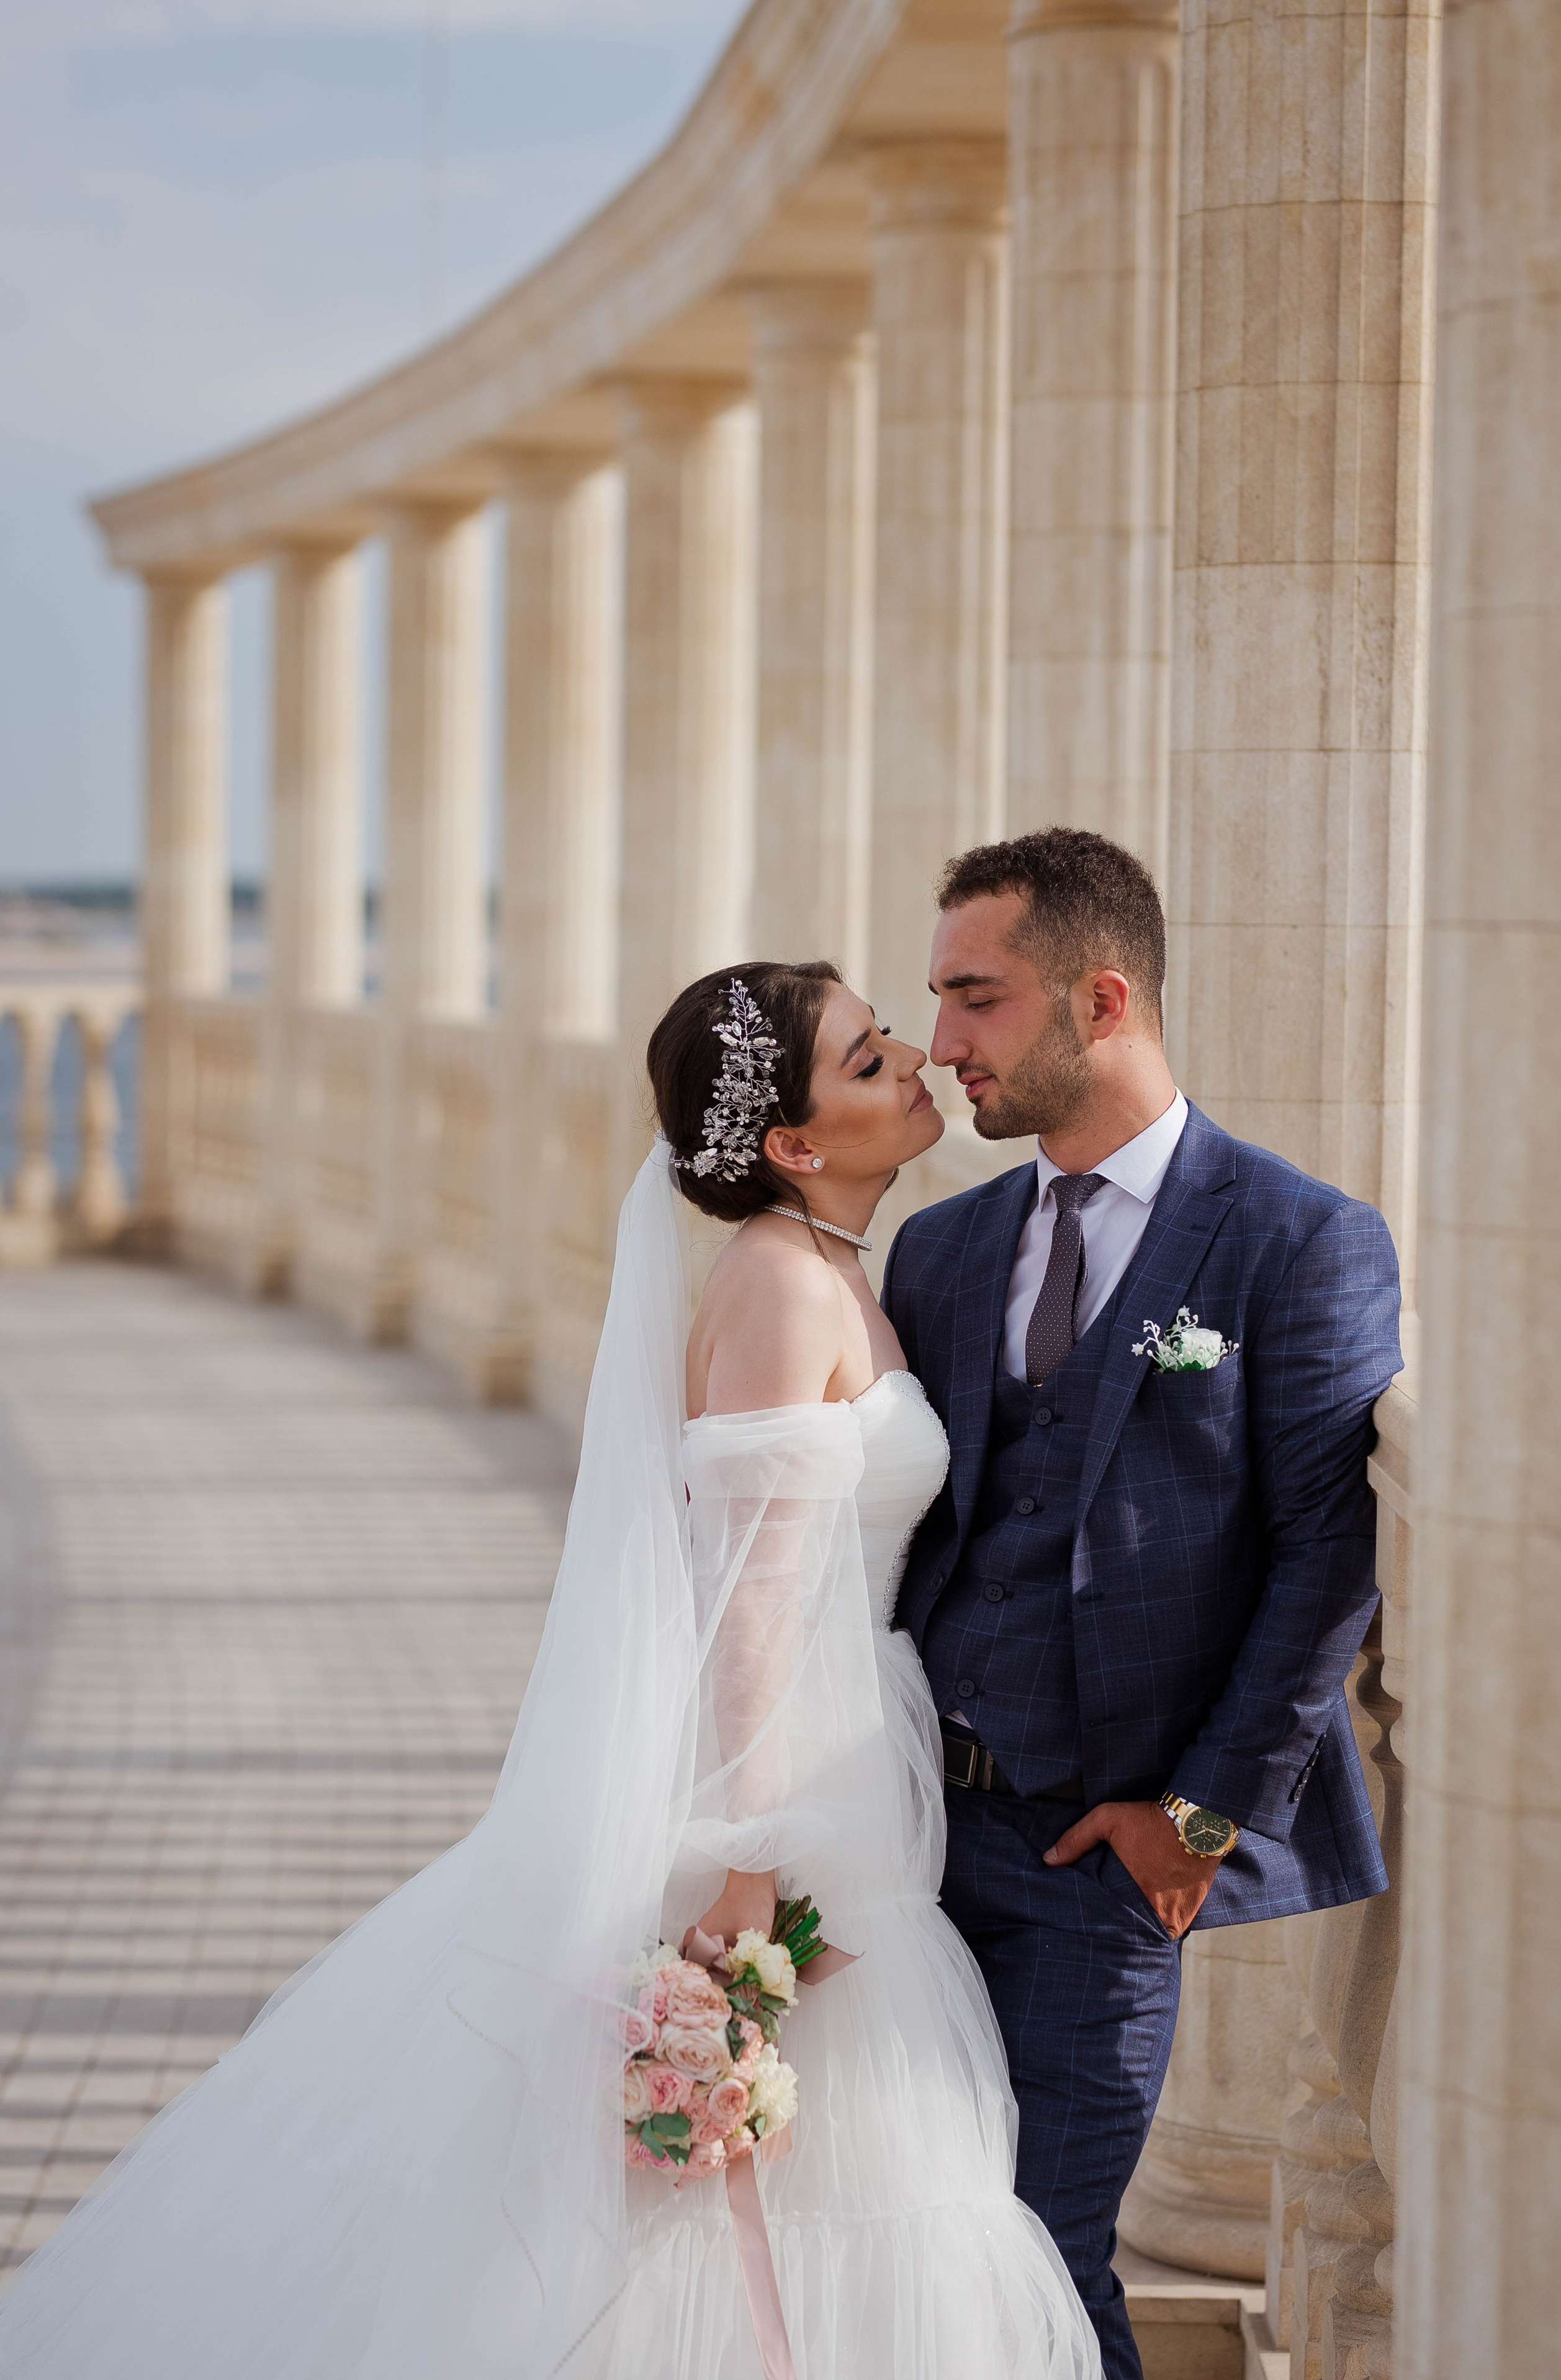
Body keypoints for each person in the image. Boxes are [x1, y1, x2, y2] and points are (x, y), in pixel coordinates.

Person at [0, 959, 1098, 2380]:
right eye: (868, 1058)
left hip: (845, 1739)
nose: (912, 1062)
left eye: (888, 1037)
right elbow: (751, 1602)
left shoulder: (834, 1265)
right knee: (742, 2179)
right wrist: (747, 1859)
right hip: (776, 1770)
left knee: (825, 2170)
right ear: (790, 1141)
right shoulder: (781, 1287)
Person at [882, 829, 1402, 2380]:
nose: (940, 1042)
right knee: (906, 2243)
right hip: (904, 1841)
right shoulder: (940, 1248)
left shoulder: (1297, 1237)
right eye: (935, 999)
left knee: (1044, 2255)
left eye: (975, 997)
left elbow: (1326, 1552)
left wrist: (1196, 1816)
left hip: (1098, 1861)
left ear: (1099, 999)